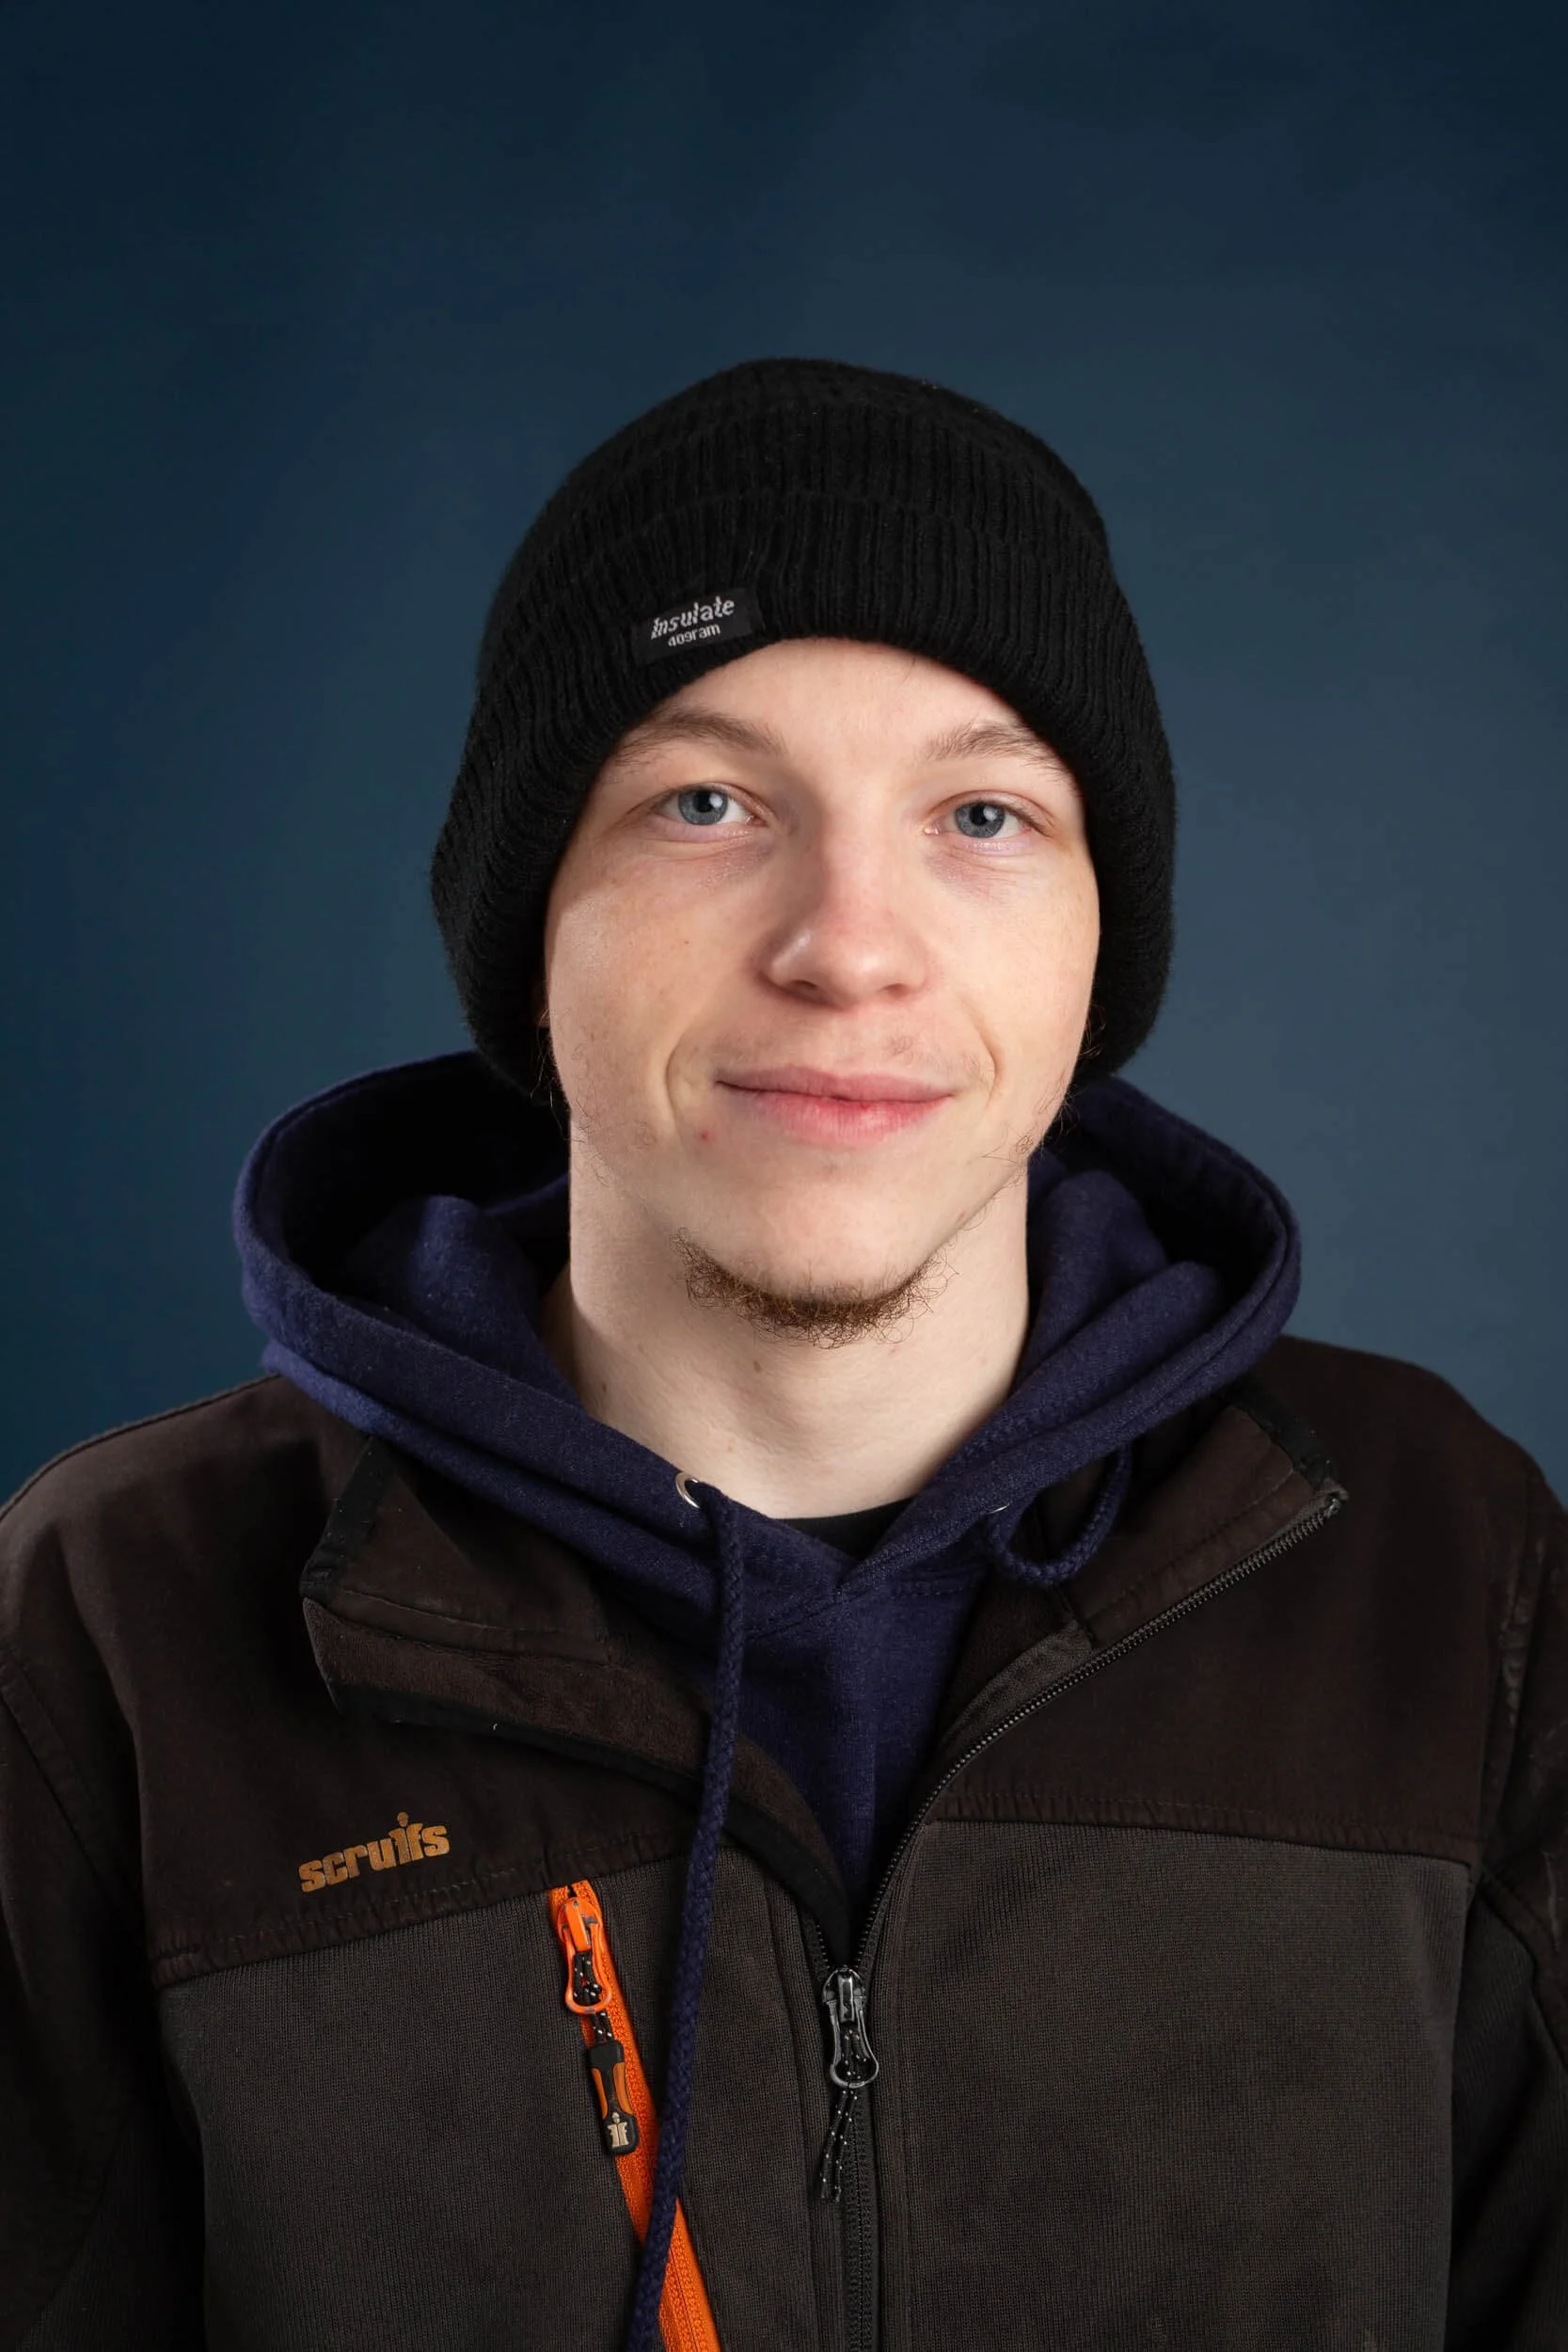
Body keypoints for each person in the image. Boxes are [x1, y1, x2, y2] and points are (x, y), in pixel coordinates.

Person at [1, 358, 1562, 2352]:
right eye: (707, 800)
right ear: (526, 923)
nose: (846, 940)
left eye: (981, 811)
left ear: (1101, 944)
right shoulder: (115, 1624)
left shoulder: (1434, 1566)